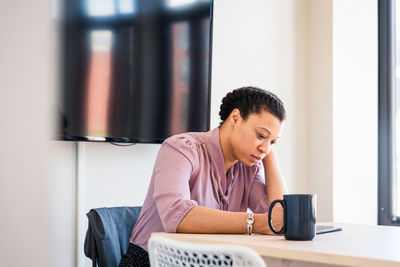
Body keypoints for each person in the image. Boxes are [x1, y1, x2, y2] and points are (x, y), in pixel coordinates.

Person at [119, 86, 288, 267]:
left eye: (273, 142)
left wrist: (268, 153)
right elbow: (177, 215)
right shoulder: (180, 149)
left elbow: (278, 217)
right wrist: (254, 223)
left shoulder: (249, 168)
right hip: (154, 261)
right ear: (236, 118)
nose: (265, 148)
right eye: (261, 135)